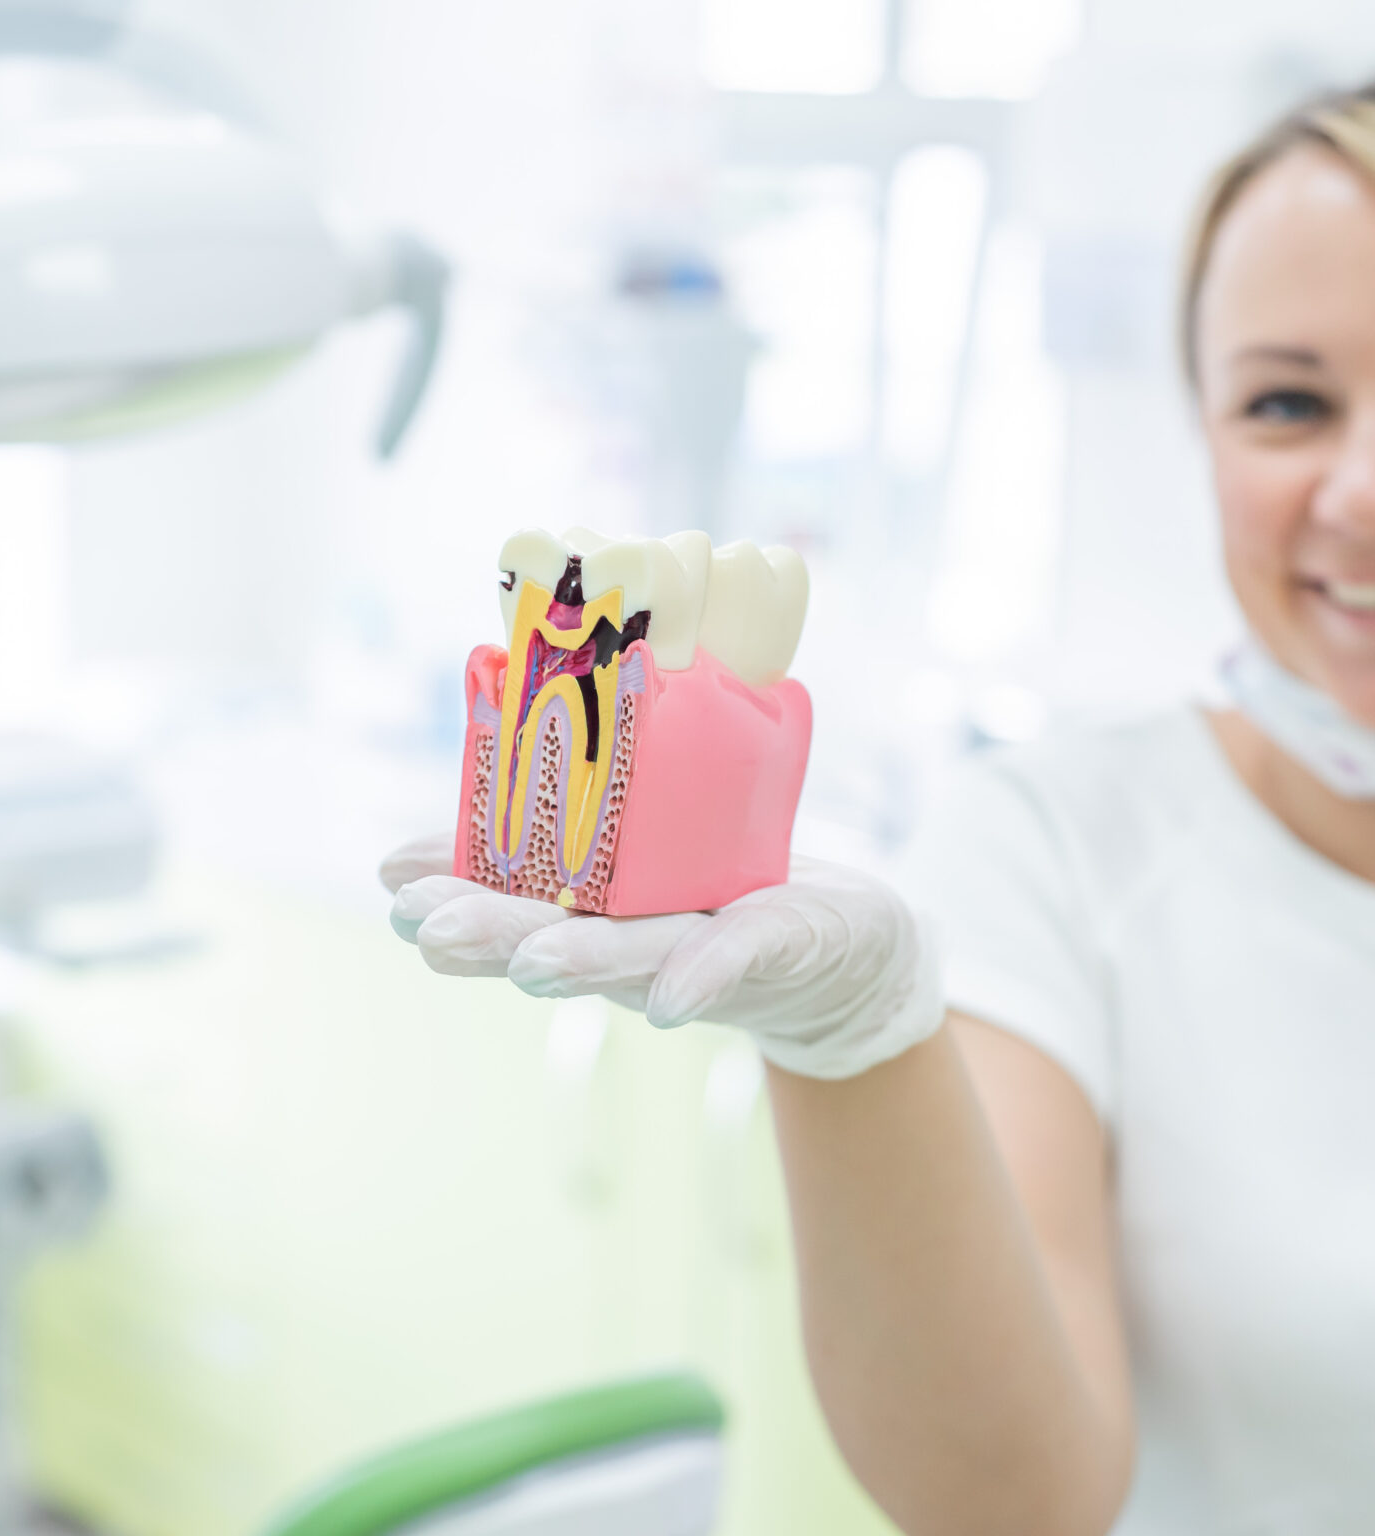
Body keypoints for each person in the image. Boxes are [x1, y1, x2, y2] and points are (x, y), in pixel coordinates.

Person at [380, 84, 1375, 1535]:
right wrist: (860, 1050)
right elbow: (1011, 1500)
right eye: (1288, 402)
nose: (1359, 491)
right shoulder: (1059, 845)